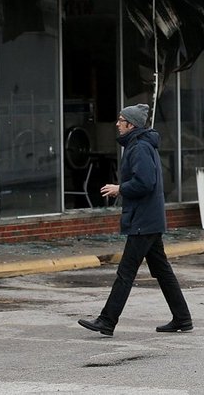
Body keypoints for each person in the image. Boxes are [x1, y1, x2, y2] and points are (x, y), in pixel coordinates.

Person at [78, 103, 193, 336]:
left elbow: (145, 183)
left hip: (143, 219)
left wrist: (119, 188)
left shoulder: (139, 147)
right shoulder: (138, 145)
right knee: (162, 271)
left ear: (131, 125)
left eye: (121, 120)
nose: (118, 123)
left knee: (126, 272)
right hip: (147, 218)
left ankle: (107, 320)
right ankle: (182, 318)